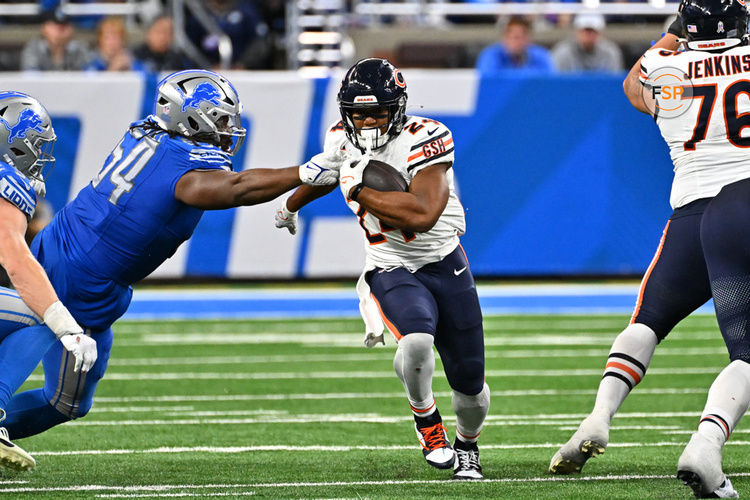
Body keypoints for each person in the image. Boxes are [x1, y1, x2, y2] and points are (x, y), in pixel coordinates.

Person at [0, 70, 340, 447]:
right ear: (192, 118)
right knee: (49, 364)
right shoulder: (181, 165)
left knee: (70, 403)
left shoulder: (150, 131)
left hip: (70, 249)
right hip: (83, 276)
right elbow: (235, 189)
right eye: (221, 118)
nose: (229, 128)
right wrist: (303, 172)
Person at [551, 1, 750, 497]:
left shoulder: (665, 68)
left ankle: (598, 416)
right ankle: (706, 443)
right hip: (745, 203)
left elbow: (631, 86)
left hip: (691, 214)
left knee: (647, 321)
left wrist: (675, 35)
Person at [274, 58, 490, 480]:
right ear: (345, 113)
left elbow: (424, 213)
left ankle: (468, 445)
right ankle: (427, 422)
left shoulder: (428, 137)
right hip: (390, 264)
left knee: (470, 386)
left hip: (445, 261)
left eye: (377, 111)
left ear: (399, 107)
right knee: (415, 341)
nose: (368, 121)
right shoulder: (340, 138)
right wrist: (289, 203)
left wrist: (357, 188)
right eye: (359, 113)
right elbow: (326, 173)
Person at [0, 92, 97, 471]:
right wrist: (67, 328)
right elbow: (16, 260)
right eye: (34, 146)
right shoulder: (8, 179)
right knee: (40, 315)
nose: (40, 156)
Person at [475, 16, 554, 73]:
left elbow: (550, 81)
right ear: (505, 38)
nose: (519, 41)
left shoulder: (541, 55)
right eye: (515, 37)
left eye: (523, 37)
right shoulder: (490, 55)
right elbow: (488, 82)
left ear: (529, 39)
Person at [20, 8, 92, 71]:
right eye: (54, 27)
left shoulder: (79, 48)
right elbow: (31, 76)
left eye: (64, 27)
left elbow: (89, 75)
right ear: (44, 28)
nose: (60, 31)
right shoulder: (34, 48)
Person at [551, 13, 623, 72]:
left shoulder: (610, 52)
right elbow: (557, 82)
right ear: (577, 31)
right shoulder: (563, 52)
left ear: (600, 33)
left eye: (593, 31)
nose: (589, 35)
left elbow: (613, 83)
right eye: (585, 31)